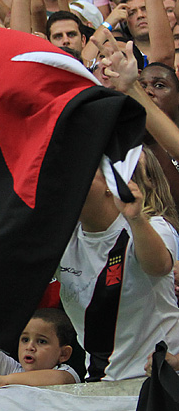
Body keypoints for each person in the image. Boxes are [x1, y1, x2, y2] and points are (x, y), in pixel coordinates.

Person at [58, 149, 179, 381]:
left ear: (110, 184)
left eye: (83, 172)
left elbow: (159, 267)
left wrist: (135, 218)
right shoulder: (60, 240)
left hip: (156, 381)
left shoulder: (152, 226)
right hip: (100, 384)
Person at [0, 308, 80, 389]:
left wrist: (6, 380)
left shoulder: (66, 372)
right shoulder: (12, 370)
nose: (30, 347)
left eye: (42, 341)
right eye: (25, 339)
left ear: (63, 354)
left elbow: (58, 379)